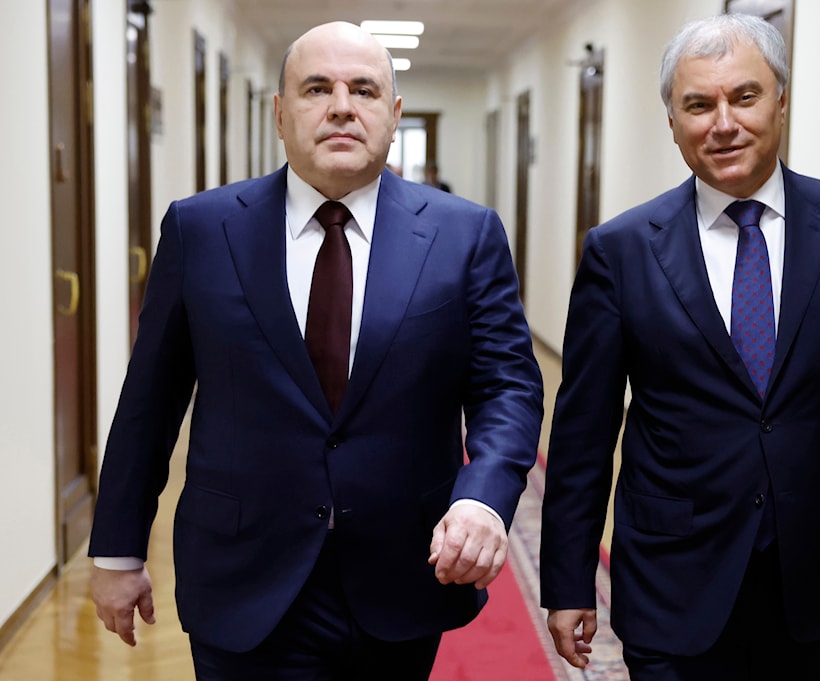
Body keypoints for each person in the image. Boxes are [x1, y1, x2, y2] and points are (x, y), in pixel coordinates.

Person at [88, 21, 543, 681]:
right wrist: (118, 552)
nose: (339, 105)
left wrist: (482, 497)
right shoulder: (203, 229)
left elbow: (508, 387)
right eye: (316, 88)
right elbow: (150, 399)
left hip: (402, 572)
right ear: (279, 113)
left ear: (392, 116)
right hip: (244, 574)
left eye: (362, 89)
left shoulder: (464, 234)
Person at [539, 13, 820, 681]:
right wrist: (566, 580)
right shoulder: (621, 251)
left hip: (813, 566)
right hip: (670, 571)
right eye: (698, 104)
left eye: (744, 96)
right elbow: (584, 429)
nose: (724, 122)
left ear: (782, 100)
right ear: (673, 121)